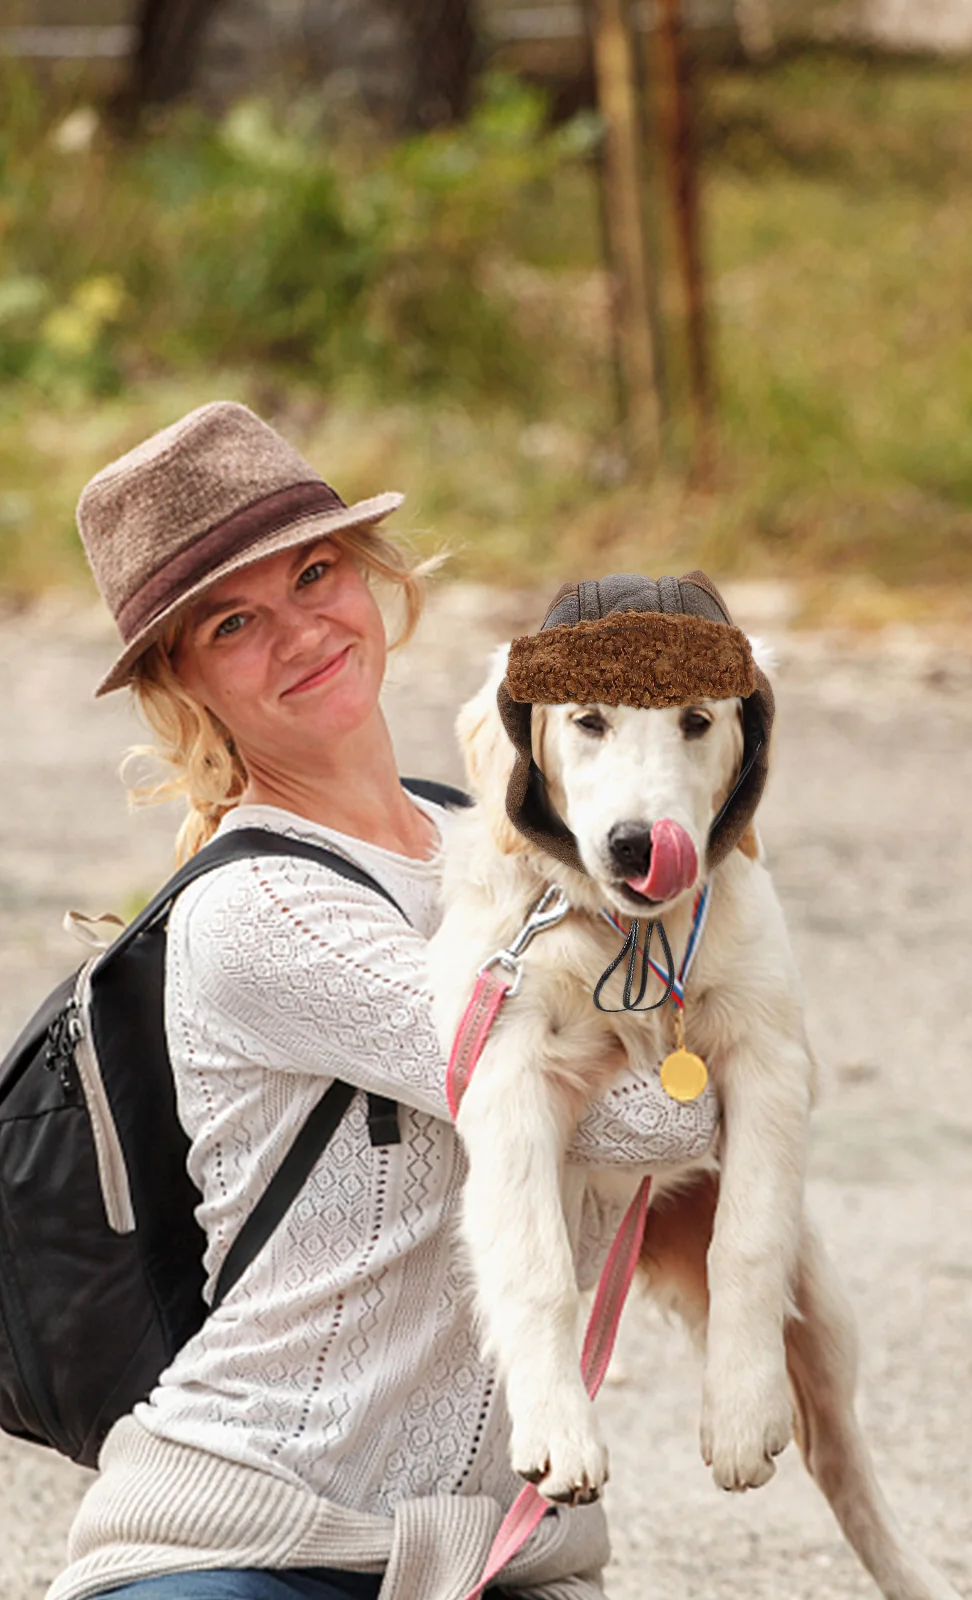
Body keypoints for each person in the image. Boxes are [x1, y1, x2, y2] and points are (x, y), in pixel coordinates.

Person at [49, 402, 720, 1600]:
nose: (302, 629)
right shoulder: (258, 913)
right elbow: (652, 1122)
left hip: (500, 1554)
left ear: (370, 580)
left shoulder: (495, 849)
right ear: (181, 676)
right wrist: (721, 1022)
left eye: (316, 572)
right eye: (234, 621)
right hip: (247, 1534)